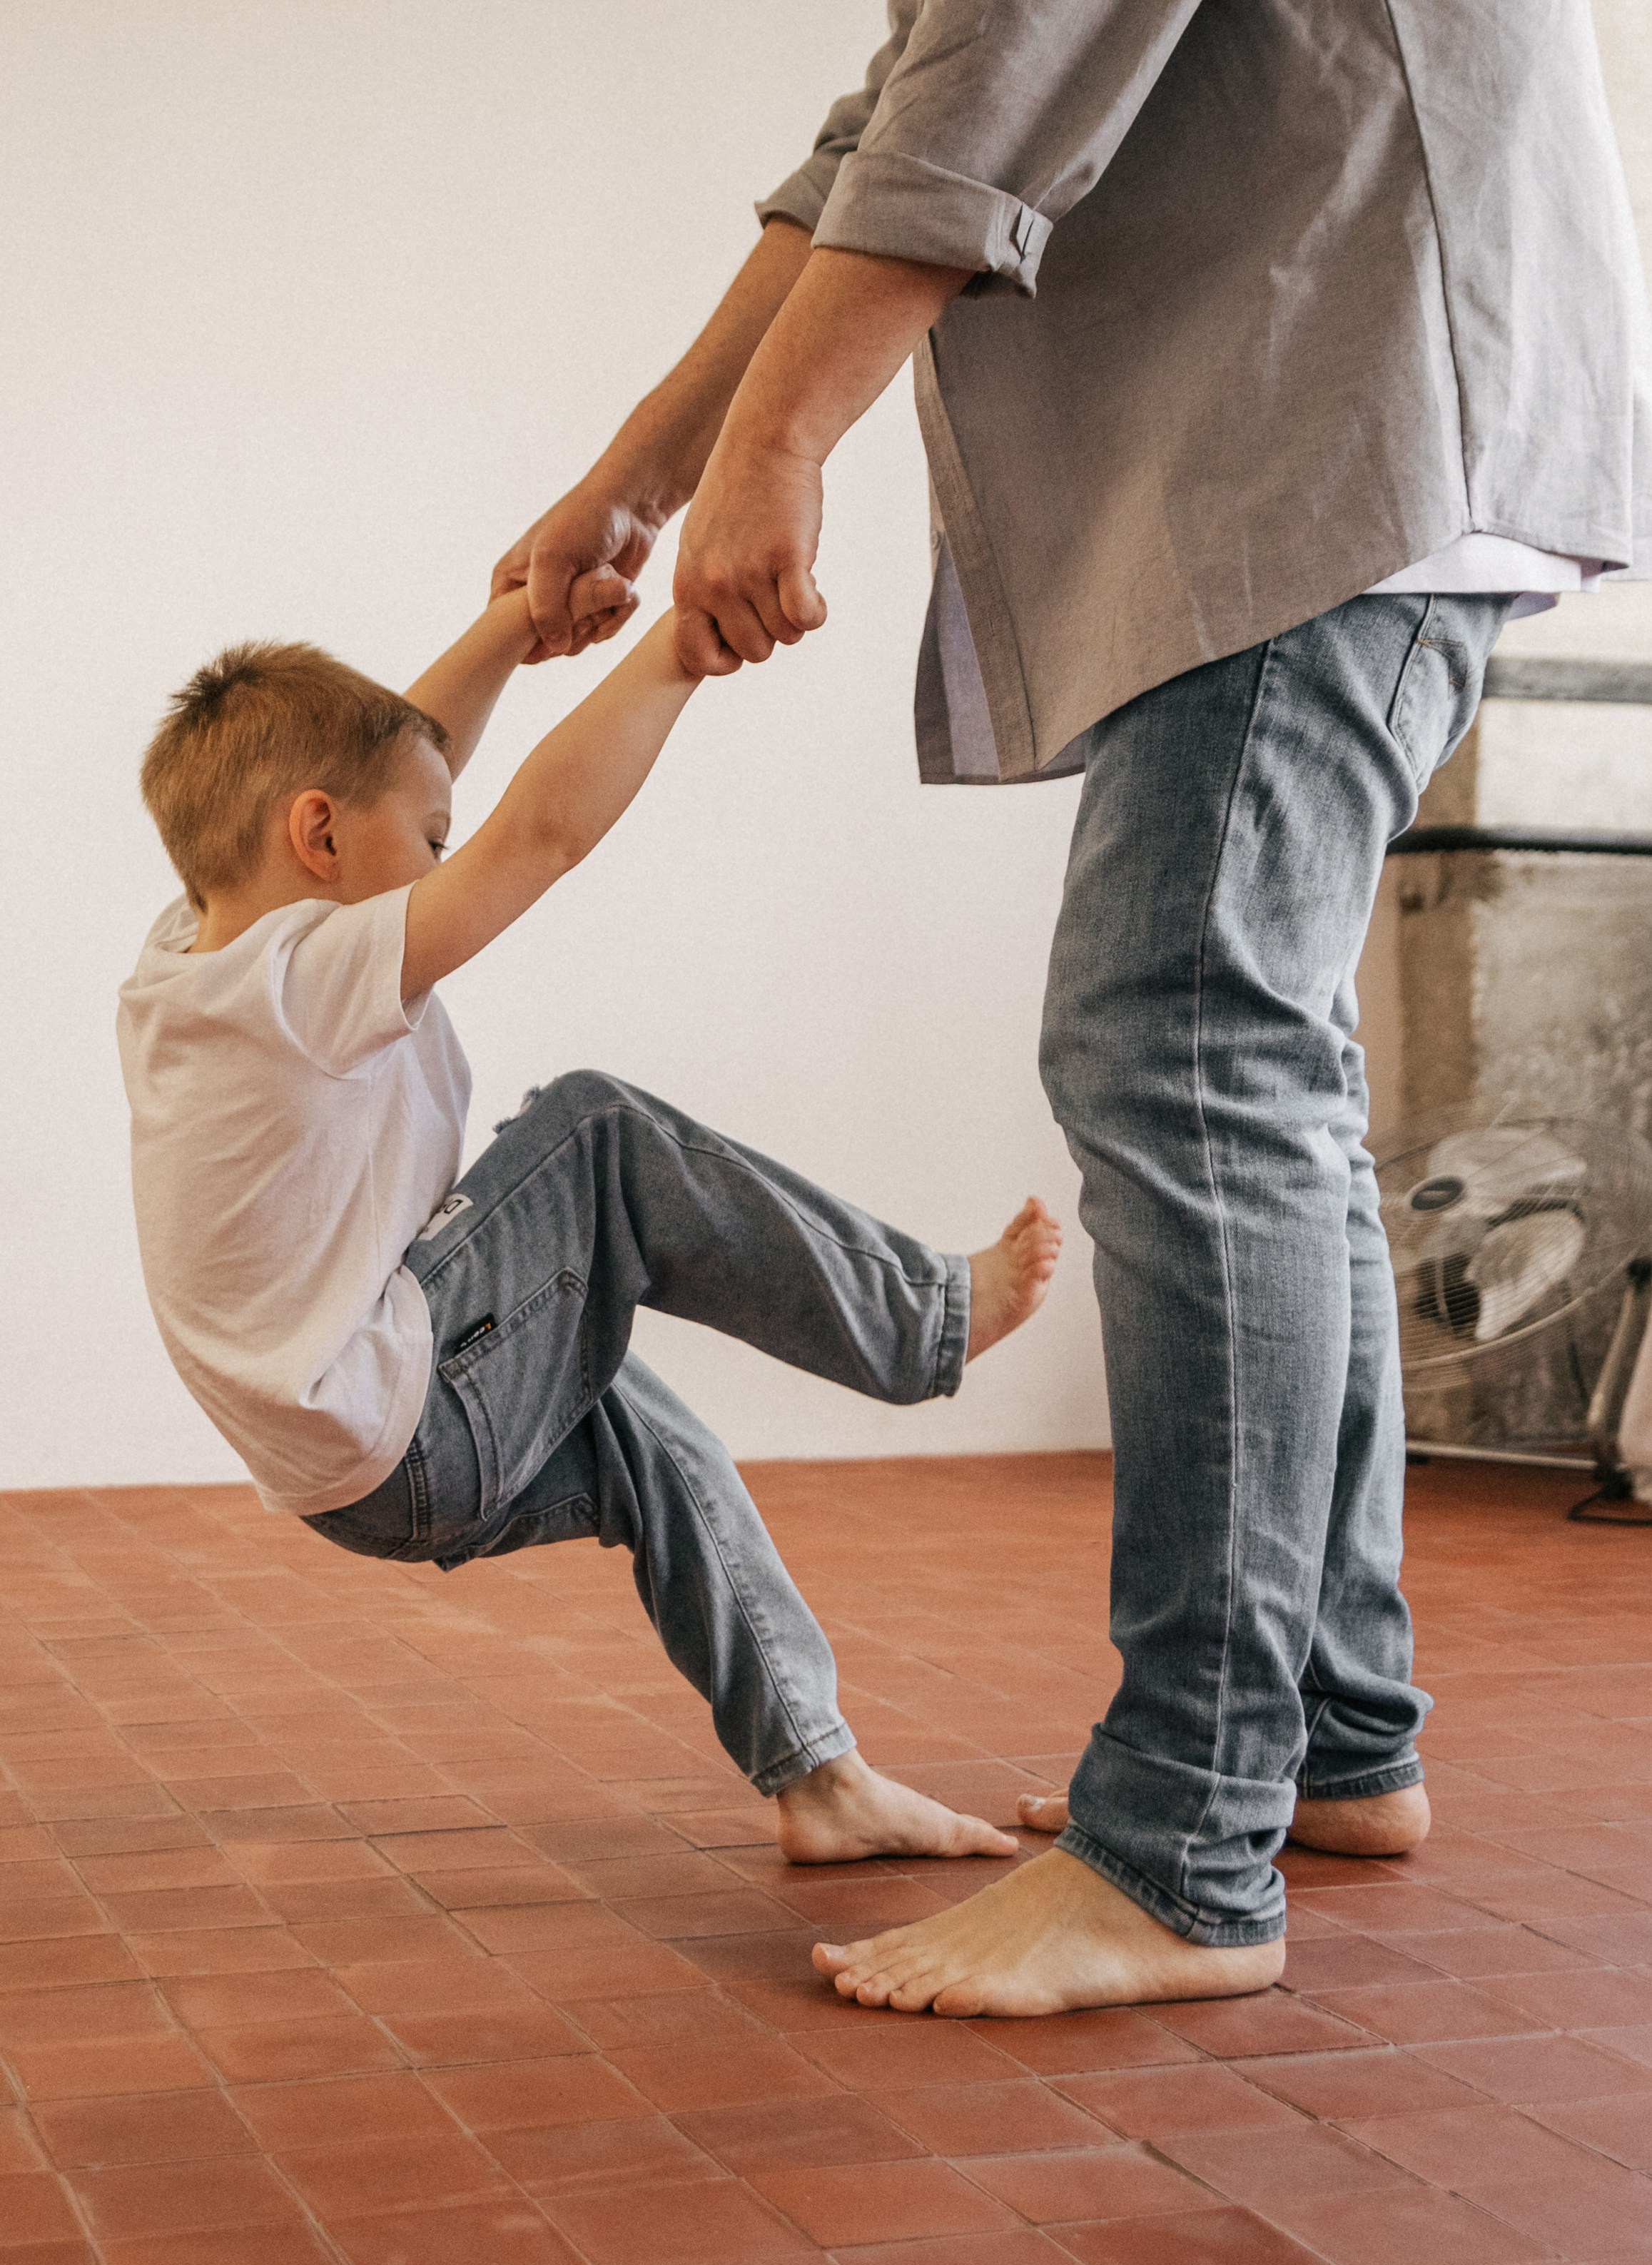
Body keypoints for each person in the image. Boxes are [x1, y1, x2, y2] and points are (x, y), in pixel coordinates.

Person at [492, 2, 1651, 2012]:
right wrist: (637, 478)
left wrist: (776, 442)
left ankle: (1185, 1845)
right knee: (1250, 1054)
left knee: (1180, 1038)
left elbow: (991, 76)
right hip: (1333, 411)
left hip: (1339, 409)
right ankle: (1329, 1737)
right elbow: (900, 117)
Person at [116, 583, 1063, 1864]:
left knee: (656, 1446)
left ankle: (820, 1776)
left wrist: (515, 627)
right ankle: (924, 1319)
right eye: (431, 842)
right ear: (320, 842)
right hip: (414, 1420)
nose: (445, 863)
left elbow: (394, 760)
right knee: (595, 1132)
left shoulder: (195, 957)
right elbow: (540, 837)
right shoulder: (303, 978)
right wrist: (682, 649)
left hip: (357, 1468)